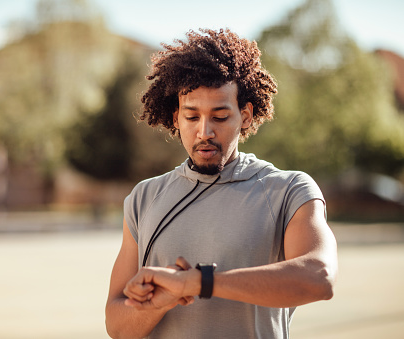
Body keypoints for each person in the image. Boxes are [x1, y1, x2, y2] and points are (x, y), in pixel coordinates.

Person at [105, 28, 338, 339]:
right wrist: (161, 301)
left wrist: (200, 282)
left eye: (219, 116)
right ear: (175, 118)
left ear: (245, 116)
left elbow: (319, 277)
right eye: (192, 117)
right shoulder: (144, 198)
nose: (205, 132)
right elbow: (117, 327)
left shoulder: (289, 190)